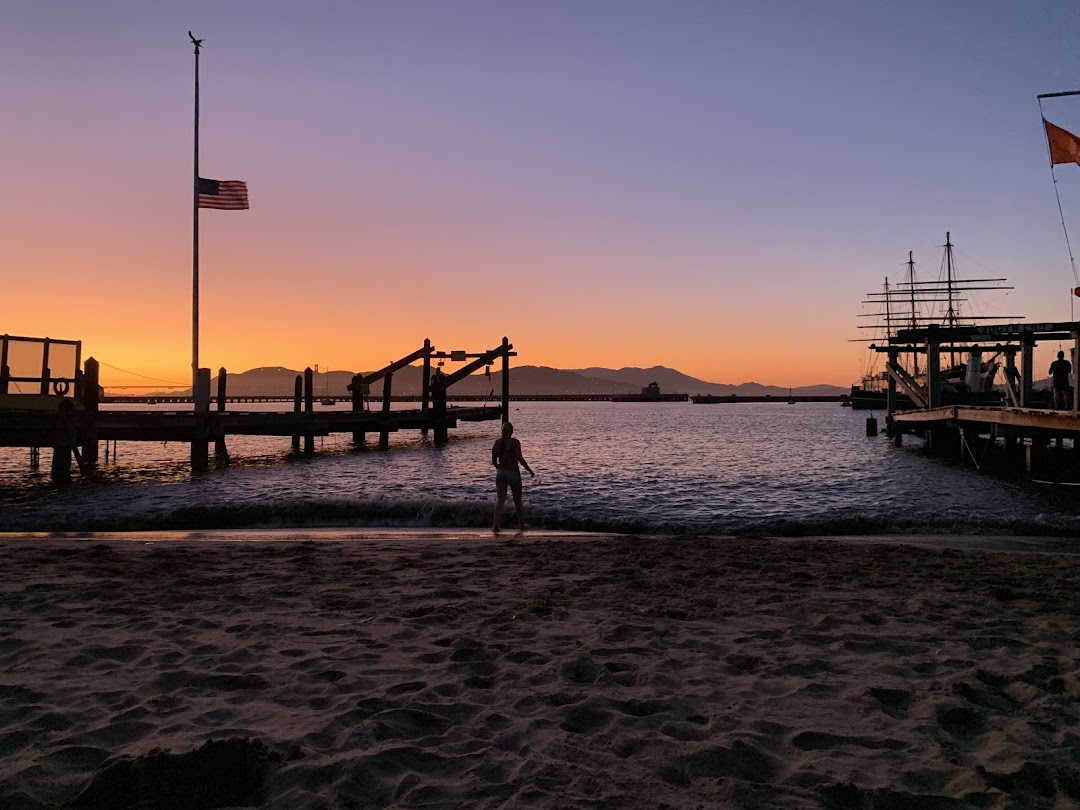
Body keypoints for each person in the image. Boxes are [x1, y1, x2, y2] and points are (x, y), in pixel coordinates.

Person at [491, 421, 534, 536]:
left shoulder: (497, 443)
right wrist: (529, 470)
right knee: (517, 501)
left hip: (501, 474)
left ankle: (495, 525)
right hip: (513, 473)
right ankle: (521, 524)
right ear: (511, 431)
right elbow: (520, 458)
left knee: (500, 500)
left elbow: (494, 462)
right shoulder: (515, 442)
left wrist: (500, 469)